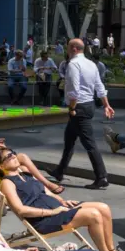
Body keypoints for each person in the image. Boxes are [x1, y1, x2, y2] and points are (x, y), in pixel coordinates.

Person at [0, 148, 125, 251]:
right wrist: (53, 212)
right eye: (8, 157)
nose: (14, 157)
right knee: (93, 215)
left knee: (104, 208)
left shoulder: (25, 173)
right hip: (45, 219)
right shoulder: (6, 183)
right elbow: (20, 210)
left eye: (13, 153)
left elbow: (45, 191)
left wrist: (63, 201)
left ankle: (111, 250)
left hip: (58, 208)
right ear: (1, 166)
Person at [50, 39, 114, 190]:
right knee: (69, 139)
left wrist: (72, 108)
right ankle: (60, 171)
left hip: (79, 107)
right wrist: (106, 104)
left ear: (72, 48)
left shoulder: (73, 64)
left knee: (89, 143)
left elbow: (74, 90)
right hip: (89, 105)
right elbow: (99, 86)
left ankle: (101, 176)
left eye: (67, 47)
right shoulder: (91, 64)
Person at [0, 120, 64, 194]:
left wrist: (4, 149)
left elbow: (7, 154)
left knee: (24, 169)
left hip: (4, 164)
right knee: (22, 158)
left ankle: (42, 189)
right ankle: (46, 184)